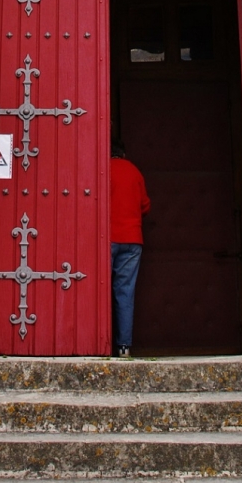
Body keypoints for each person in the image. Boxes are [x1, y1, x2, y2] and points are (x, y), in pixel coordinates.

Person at [110, 140, 150, 358]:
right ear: (123, 154)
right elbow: (145, 205)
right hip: (133, 239)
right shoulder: (135, 172)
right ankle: (124, 347)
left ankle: (98, 343)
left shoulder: (103, 169)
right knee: (125, 293)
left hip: (108, 238)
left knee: (100, 292)